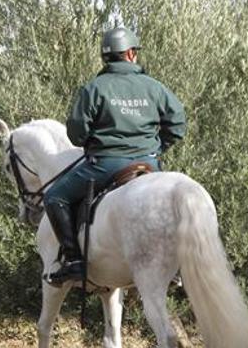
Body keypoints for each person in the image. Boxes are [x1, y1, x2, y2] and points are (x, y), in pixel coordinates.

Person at [43, 27, 187, 285]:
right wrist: (156, 149)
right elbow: (177, 124)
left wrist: (96, 143)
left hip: (104, 166)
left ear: (106, 57)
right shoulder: (155, 87)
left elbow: (76, 133)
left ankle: (74, 261)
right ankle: (176, 264)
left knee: (55, 196)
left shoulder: (94, 88)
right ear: (131, 53)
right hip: (149, 164)